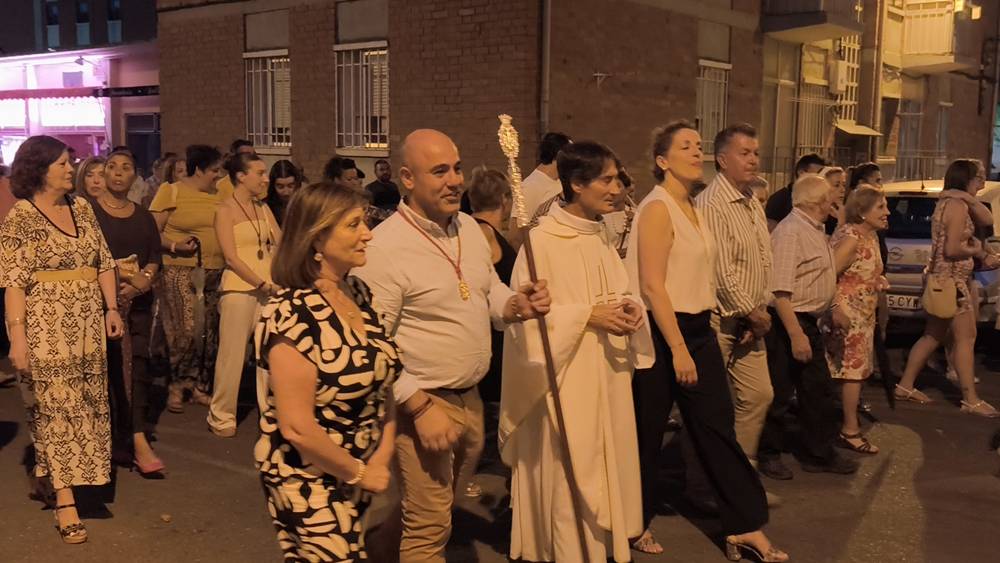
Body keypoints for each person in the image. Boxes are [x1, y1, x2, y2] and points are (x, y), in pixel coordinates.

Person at [353, 129, 550, 563]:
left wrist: (516, 305)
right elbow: (372, 343)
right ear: (407, 177)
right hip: (421, 402)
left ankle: (375, 553)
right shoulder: (384, 248)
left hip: (471, 399)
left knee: (429, 510)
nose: (454, 180)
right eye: (439, 171)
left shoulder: (468, 228)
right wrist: (419, 408)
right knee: (430, 527)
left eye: (457, 168)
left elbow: (487, 290)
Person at [625, 121, 785, 561]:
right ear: (662, 161)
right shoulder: (657, 207)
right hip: (662, 333)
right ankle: (632, 522)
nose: (697, 153)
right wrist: (677, 348)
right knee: (646, 433)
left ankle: (744, 526)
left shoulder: (693, 206)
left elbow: (705, 275)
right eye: (686, 147)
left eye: (698, 145)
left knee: (718, 428)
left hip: (697, 328)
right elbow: (653, 286)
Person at [501, 141, 649, 562]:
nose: (617, 187)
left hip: (606, 374)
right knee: (568, 479)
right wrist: (588, 317)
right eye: (607, 179)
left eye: (618, 178)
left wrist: (630, 308)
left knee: (606, 465)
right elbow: (525, 321)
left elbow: (620, 289)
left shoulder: (600, 234)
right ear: (577, 184)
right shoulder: (542, 242)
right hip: (564, 380)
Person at [255, 181, 396, 561]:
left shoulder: (360, 294)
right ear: (316, 240)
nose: (367, 234)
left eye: (364, 223)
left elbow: (384, 383)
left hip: (356, 469)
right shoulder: (290, 314)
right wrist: (361, 473)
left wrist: (380, 456)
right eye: (353, 225)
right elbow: (296, 427)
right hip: (307, 476)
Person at [1, 135, 123, 544]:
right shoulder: (21, 217)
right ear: (38, 170)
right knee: (55, 410)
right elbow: (13, 282)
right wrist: (17, 337)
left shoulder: (82, 208)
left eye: (69, 163)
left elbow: (103, 261)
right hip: (44, 327)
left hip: (88, 325)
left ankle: (68, 476)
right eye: (61, 164)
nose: (70, 169)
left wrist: (111, 308)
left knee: (86, 405)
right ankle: (65, 501)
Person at [759, 174, 860, 480]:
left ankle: (818, 452)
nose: (836, 199)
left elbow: (816, 277)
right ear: (818, 201)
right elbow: (780, 290)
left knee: (816, 390)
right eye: (831, 195)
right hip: (790, 321)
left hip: (807, 320)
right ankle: (768, 453)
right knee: (779, 391)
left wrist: (831, 308)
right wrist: (795, 334)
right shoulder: (792, 232)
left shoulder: (813, 229)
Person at [694, 123, 774, 467]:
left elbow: (762, 258)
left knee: (759, 394)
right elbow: (720, 269)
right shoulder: (712, 204)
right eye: (744, 153)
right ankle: (703, 479)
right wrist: (749, 312)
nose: (753, 160)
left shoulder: (751, 200)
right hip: (720, 317)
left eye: (755, 153)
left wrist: (758, 308)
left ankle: (741, 471)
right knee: (705, 405)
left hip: (750, 318)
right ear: (722, 159)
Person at [895, 159, 1000, 417]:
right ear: (967, 179)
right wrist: (976, 250)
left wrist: (966, 196)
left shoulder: (952, 202)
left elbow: (987, 217)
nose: (983, 182)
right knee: (966, 338)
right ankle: (970, 399)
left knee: (933, 335)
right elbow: (952, 248)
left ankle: (905, 385)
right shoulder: (957, 207)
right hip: (953, 283)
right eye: (979, 177)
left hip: (944, 280)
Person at [91, 149, 165, 474]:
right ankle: (114, 440)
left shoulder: (143, 215)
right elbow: (89, 257)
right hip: (101, 304)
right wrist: (121, 277)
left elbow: (154, 256)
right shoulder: (88, 213)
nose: (119, 173)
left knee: (137, 367)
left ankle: (137, 438)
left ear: (135, 175)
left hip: (137, 303)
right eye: (112, 167)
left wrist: (141, 282)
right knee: (106, 370)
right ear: (104, 173)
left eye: (126, 168)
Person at [149, 145, 230, 413]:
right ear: (198, 170)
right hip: (180, 269)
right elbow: (152, 231)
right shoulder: (171, 191)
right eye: (214, 170)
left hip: (215, 271)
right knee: (185, 330)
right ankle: (177, 384)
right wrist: (174, 246)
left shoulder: (220, 194)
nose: (217, 176)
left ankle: (199, 386)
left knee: (208, 332)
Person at [207, 153, 281, 437]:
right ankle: (222, 415)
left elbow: (281, 241)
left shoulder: (263, 208)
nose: (266, 178)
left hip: (269, 289)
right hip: (240, 288)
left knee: (268, 354)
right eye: (260, 173)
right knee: (232, 355)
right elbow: (231, 257)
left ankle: (270, 411)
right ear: (241, 176)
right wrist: (261, 283)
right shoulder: (225, 209)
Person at [825, 187, 890, 453]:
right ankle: (850, 430)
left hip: (863, 315)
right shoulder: (852, 238)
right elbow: (829, 274)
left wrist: (877, 280)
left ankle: (837, 424)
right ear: (862, 212)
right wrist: (836, 308)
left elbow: (859, 272)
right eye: (880, 207)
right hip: (848, 316)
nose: (887, 212)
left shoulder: (869, 236)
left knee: (851, 373)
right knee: (851, 374)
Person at [507, 132, 572, 248]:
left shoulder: (561, 182)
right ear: (559, 155)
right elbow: (515, 235)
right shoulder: (530, 186)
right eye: (571, 154)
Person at [764, 152, 827, 231]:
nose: (820, 179)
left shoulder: (820, 200)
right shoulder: (779, 199)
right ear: (801, 172)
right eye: (817, 174)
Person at [264, 159, 303, 226]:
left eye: (290, 186)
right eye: (280, 187)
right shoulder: (265, 208)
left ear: (296, 184)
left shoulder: (305, 204)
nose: (286, 192)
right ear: (273, 186)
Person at [365, 158, 401, 225]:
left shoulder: (393, 186)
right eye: (381, 170)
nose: (385, 172)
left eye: (387, 169)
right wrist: (386, 215)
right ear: (375, 172)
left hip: (395, 222)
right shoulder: (370, 188)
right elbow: (368, 209)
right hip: (379, 224)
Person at [820, 166, 847, 235]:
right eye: (836, 185)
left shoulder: (846, 211)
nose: (842, 190)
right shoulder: (819, 215)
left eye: (844, 185)